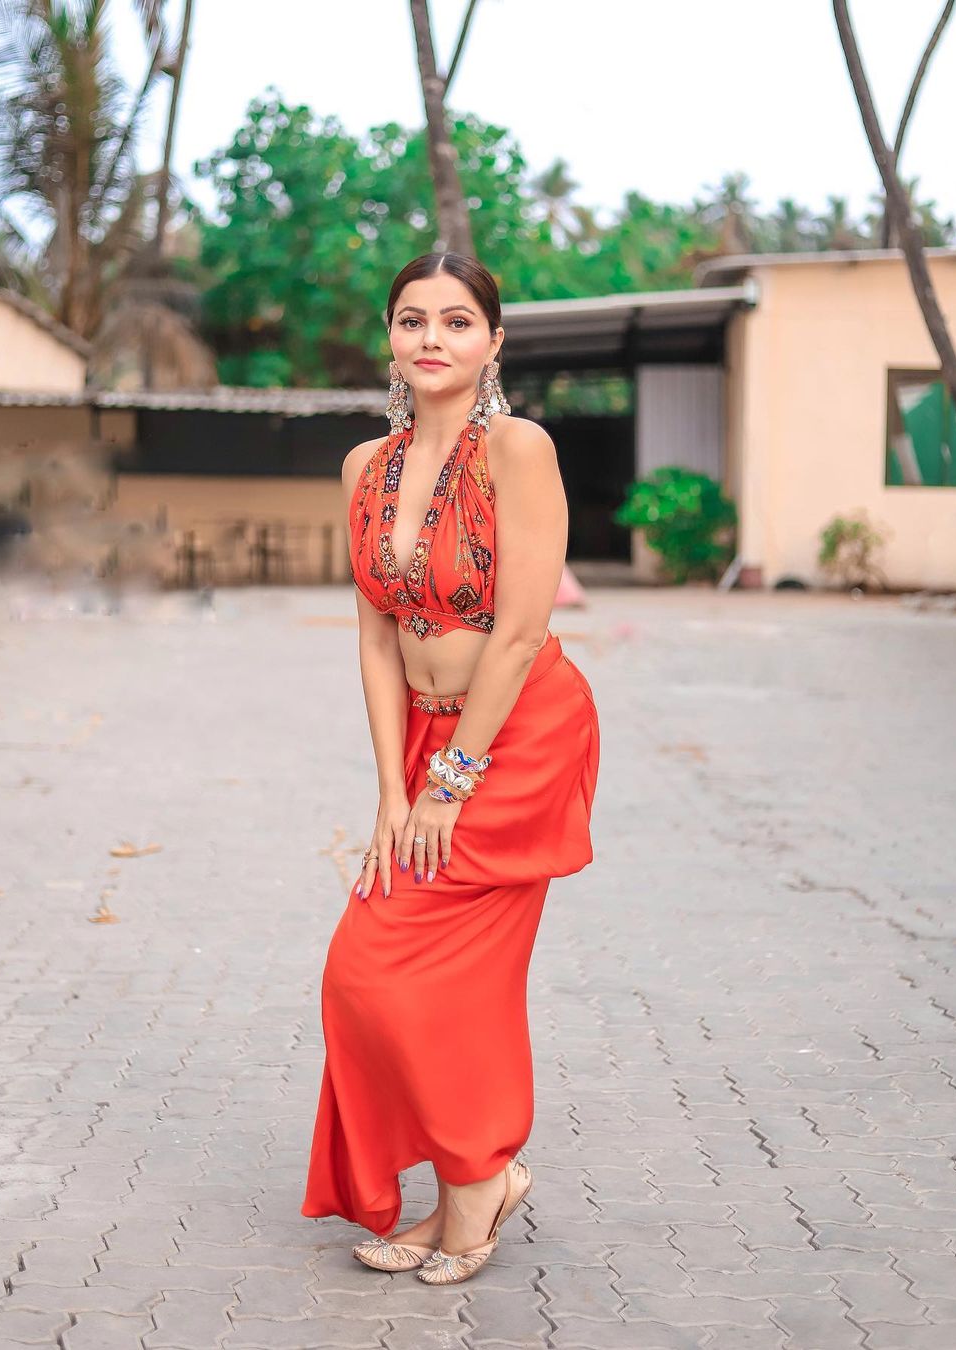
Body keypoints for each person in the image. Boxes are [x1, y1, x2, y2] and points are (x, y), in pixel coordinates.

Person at [300, 251, 600, 1286]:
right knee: (365, 974)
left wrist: (452, 779)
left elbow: (518, 633)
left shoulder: (518, 449)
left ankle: (474, 1190)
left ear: (493, 341)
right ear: (390, 337)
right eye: (413, 319)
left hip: (517, 737)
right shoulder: (365, 468)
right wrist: (394, 789)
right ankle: (478, 1180)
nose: (433, 337)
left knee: (435, 977)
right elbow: (375, 639)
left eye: (458, 320)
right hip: (426, 745)